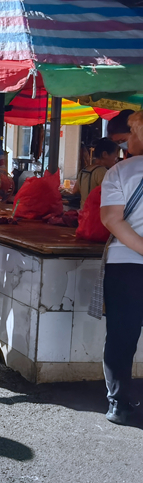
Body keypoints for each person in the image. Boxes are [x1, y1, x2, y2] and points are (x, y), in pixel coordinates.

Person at [99, 110, 143, 425]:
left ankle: (119, 404)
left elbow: (111, 219)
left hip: (125, 266)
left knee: (120, 337)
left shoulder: (119, 172)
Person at [74, 137, 119, 209]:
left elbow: (75, 190)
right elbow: (109, 195)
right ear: (105, 154)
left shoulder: (84, 170)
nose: (116, 160)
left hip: (83, 214)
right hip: (96, 214)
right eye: (115, 156)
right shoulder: (102, 172)